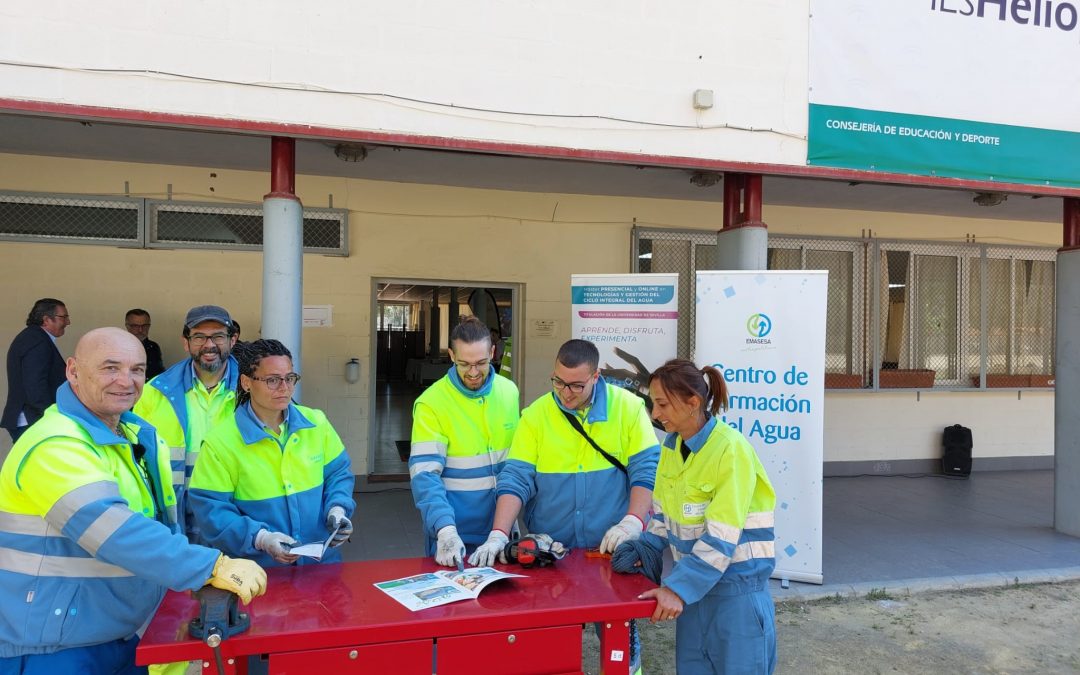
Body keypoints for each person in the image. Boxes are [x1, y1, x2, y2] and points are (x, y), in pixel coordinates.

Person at [0, 328, 266, 674]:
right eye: (110, 368)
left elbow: (158, 525)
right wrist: (209, 566)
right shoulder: (55, 444)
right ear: (73, 371)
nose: (126, 381)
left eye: (137, 370)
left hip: (116, 634)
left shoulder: (132, 435)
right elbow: (114, 530)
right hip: (52, 645)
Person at [469, 338, 658, 674]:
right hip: (552, 552)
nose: (565, 393)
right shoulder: (537, 414)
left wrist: (632, 521)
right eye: (558, 381)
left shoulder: (628, 408)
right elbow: (517, 479)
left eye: (576, 385)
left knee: (620, 640)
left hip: (609, 549)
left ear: (597, 376)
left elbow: (646, 472)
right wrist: (498, 533)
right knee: (547, 641)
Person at [619, 358, 777, 674]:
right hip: (694, 595)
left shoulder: (731, 449)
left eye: (662, 404)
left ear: (693, 403)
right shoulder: (671, 447)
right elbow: (663, 516)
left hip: (736, 598)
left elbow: (721, 536)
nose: (655, 414)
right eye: (653, 404)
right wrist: (641, 546)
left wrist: (677, 589)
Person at [188, 339, 356, 567]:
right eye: (272, 380)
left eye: (290, 378)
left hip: (321, 565)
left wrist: (338, 508)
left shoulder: (316, 422)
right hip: (259, 573)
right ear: (246, 382)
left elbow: (338, 474)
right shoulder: (220, 442)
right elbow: (212, 511)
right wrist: (261, 539)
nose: (284, 388)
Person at [409, 316, 519, 568]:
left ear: (493, 352)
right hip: (454, 532)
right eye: (464, 364)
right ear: (451, 355)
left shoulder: (509, 391)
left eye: (481, 363)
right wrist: (445, 529)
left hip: (502, 529)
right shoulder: (432, 403)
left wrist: (504, 527)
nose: (473, 372)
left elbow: (516, 466)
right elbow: (425, 476)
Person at [133, 305, 238, 539]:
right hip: (175, 514)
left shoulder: (254, 391)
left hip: (236, 511)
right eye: (199, 336)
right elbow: (137, 460)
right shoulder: (154, 392)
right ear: (186, 342)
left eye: (218, 336)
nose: (209, 345)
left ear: (233, 340)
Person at [2, 298, 69, 442]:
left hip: (31, 418)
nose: (68, 322)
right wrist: (50, 416)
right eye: (63, 317)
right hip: (32, 419)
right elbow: (35, 385)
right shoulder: (37, 341)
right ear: (46, 320)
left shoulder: (34, 337)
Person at [124, 308, 165, 380]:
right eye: (135, 326)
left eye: (144, 326)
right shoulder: (117, 348)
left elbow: (159, 373)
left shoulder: (153, 347)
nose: (140, 330)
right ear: (127, 326)